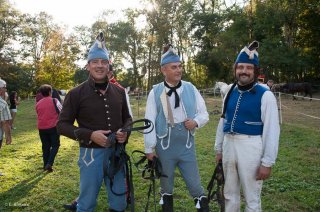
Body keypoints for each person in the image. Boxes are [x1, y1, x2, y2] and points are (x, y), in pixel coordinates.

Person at [57, 32, 132, 212]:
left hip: (116, 153)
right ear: (88, 66)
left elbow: (127, 119)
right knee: (87, 202)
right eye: (95, 62)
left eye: (103, 62)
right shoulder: (75, 93)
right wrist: (90, 135)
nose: (99, 66)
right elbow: (62, 125)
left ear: (108, 65)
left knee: (120, 202)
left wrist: (125, 132)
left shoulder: (119, 92)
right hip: (90, 155)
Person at [214, 41, 280, 211]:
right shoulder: (229, 91)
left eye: (249, 68)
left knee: (252, 197)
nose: (244, 71)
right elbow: (223, 120)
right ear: (236, 69)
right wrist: (219, 149)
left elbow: (272, 131)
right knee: (229, 194)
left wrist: (267, 162)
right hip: (229, 145)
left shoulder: (265, 95)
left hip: (251, 148)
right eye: (240, 67)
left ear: (255, 71)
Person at [144, 44, 210, 212]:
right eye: (174, 67)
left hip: (187, 145)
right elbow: (149, 121)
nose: (179, 70)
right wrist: (149, 148)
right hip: (164, 145)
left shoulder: (190, 88)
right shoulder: (155, 92)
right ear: (163, 70)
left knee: (195, 186)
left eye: (180, 66)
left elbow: (204, 114)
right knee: (166, 186)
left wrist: (195, 122)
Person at [35, 84, 62, 172]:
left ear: (42, 93)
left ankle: (45, 165)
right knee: (55, 145)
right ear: (50, 92)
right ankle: (49, 163)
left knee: (45, 147)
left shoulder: (38, 103)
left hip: (42, 128)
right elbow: (61, 111)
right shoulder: (55, 100)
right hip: (53, 127)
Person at [0, 79, 13, 176]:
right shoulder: (2, 103)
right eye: (4, 88)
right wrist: (8, 137)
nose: (6, 90)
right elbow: (5, 122)